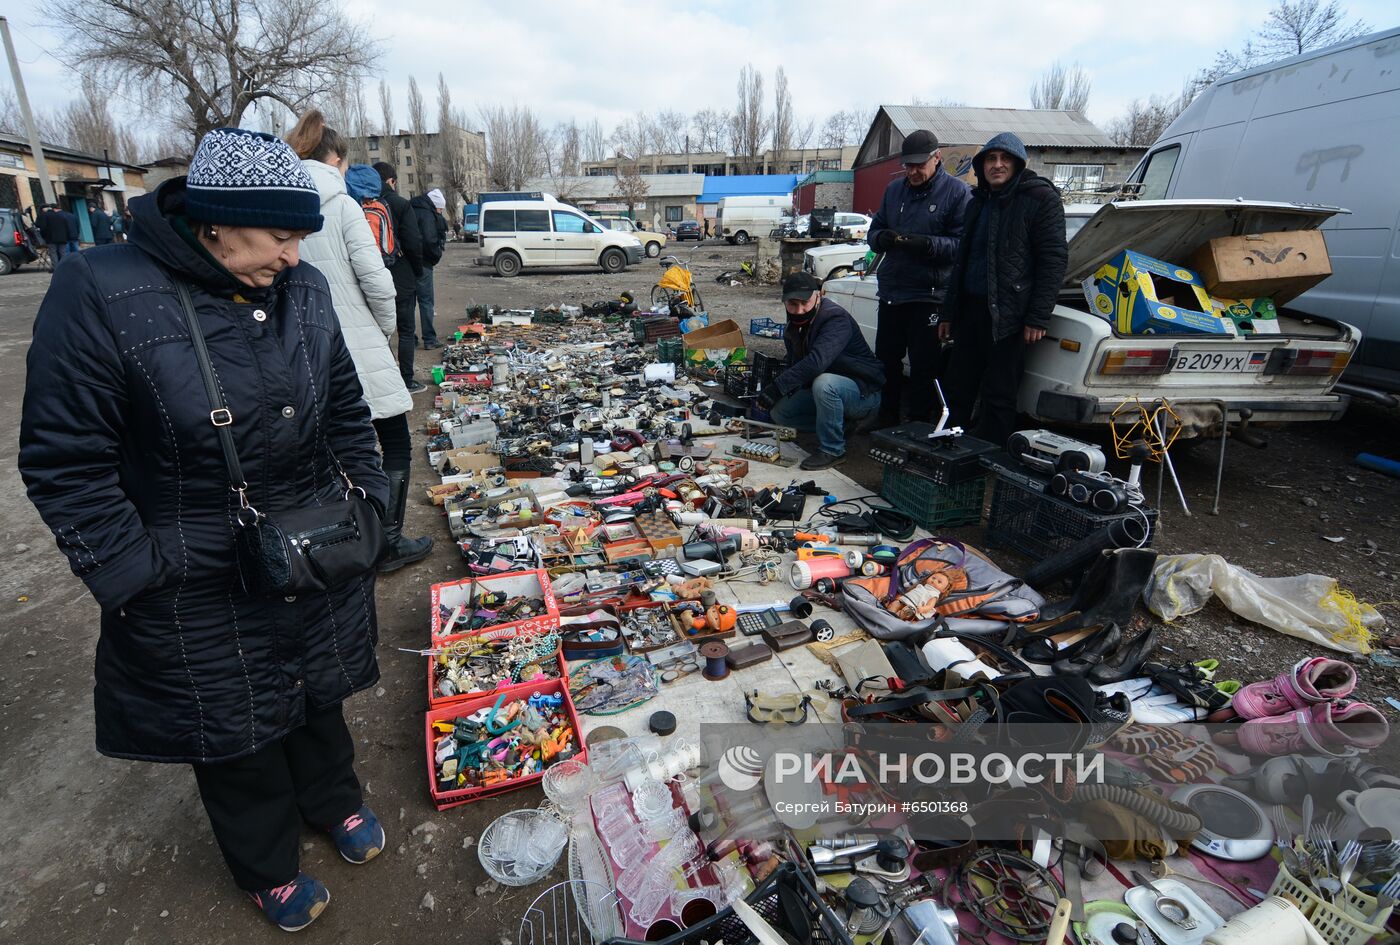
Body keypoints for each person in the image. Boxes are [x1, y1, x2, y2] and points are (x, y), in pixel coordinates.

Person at [19, 127, 391, 933]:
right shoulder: (100, 290)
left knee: (318, 689)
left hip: (310, 544)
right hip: (189, 567)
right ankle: (265, 862)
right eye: (280, 235)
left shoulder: (305, 290)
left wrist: (367, 501)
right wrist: (137, 572)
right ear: (217, 222)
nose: (295, 256)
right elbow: (63, 460)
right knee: (231, 723)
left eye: (302, 237)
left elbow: (348, 412)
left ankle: (333, 799)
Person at [286, 110, 435, 574]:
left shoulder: (281, 203)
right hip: (355, 342)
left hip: (300, 352)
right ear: (337, 160)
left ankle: (340, 543)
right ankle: (387, 541)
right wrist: (383, 330)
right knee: (392, 439)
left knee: (328, 449)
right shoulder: (343, 203)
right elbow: (377, 281)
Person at [941, 132, 1068, 448]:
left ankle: (990, 456)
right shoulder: (978, 202)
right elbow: (961, 262)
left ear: (1018, 163)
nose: (997, 165)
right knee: (958, 386)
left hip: (1010, 315)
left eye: (1005, 159)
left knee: (999, 392)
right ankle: (951, 452)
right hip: (970, 309)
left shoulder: (1040, 199)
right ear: (982, 165)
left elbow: (1053, 259)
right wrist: (948, 312)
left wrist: (1038, 316)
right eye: (990, 159)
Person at [867, 129, 972, 428]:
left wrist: (927, 245)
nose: (912, 171)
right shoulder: (894, 190)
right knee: (886, 358)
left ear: (936, 158)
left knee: (924, 365)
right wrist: (881, 238)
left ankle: (917, 422)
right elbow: (874, 233)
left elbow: (962, 245)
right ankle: (886, 415)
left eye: (918, 165)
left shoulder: (957, 193)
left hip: (929, 294)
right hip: (893, 290)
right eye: (907, 165)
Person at [756, 272, 885, 470]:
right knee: (781, 414)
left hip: (862, 392)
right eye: (792, 304)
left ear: (819, 295)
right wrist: (768, 394)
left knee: (824, 383)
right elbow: (793, 364)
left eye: (804, 303)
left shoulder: (835, 318)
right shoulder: (795, 323)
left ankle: (833, 450)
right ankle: (840, 424)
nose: (799, 311)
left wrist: (778, 388)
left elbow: (816, 363)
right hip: (829, 390)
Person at [371, 162, 426, 391]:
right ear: (391, 181)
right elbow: (413, 242)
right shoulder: (401, 204)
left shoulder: (362, 203)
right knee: (405, 330)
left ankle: (382, 382)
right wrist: (417, 271)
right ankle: (405, 380)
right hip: (401, 275)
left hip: (372, 274)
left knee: (378, 332)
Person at [409, 187, 448, 350]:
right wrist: (436, 255)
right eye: (440, 209)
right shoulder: (427, 215)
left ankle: (410, 337)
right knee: (426, 302)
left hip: (406, 263)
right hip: (423, 263)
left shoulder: (410, 207)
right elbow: (429, 240)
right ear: (435, 205)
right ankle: (430, 339)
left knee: (408, 303)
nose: (440, 212)